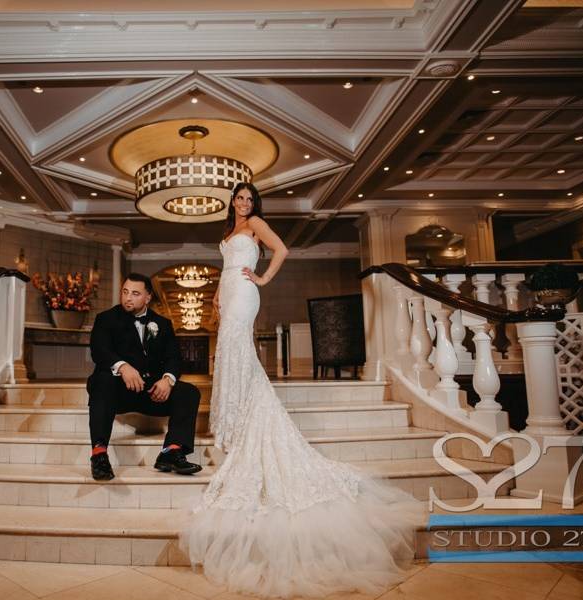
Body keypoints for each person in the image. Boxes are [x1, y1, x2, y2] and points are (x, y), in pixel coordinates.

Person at [178, 183, 425, 598]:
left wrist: (261, 278)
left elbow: (283, 251)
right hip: (230, 293)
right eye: (238, 199)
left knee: (240, 352)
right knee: (232, 355)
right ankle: (235, 420)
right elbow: (223, 267)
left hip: (247, 294)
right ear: (231, 203)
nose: (243, 204)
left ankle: (242, 421)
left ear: (254, 203)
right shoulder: (228, 231)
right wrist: (217, 296)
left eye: (248, 199)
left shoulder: (255, 224)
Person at [87, 273, 203, 480]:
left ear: (147, 298)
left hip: (152, 393)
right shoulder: (106, 319)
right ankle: (99, 455)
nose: (127, 298)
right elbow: (99, 350)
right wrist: (123, 367)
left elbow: (174, 357)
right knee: (101, 381)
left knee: (189, 392)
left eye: (135, 293)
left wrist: (167, 380)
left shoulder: (163, 324)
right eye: (125, 292)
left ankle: (172, 452)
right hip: (118, 391)